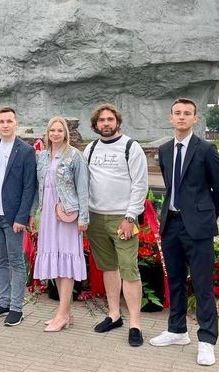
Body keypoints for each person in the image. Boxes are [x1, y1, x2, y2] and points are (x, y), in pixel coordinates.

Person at [152, 98, 219, 366]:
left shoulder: (206, 149)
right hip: (171, 224)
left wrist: (205, 216)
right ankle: (177, 330)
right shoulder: (164, 150)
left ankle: (207, 340)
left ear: (195, 118)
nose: (182, 117)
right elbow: (171, 185)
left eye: (187, 113)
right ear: (170, 117)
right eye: (177, 113)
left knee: (202, 284)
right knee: (174, 280)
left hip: (198, 227)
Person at [84, 103, 148, 347]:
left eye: (110, 119)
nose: (106, 123)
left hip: (123, 219)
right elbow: (83, 182)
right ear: (95, 124)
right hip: (96, 217)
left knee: (129, 268)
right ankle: (114, 314)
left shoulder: (131, 147)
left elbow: (140, 184)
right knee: (108, 268)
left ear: (117, 122)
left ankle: (135, 324)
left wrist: (130, 217)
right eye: (101, 120)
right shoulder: (90, 148)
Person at [0, 107, 37, 326]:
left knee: (16, 261)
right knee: (0, 260)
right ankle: (3, 303)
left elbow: (29, 186)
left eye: (9, 121)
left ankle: (16, 308)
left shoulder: (26, 151)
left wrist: (22, 217)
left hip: (12, 217)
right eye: (1, 121)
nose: (5, 125)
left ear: (16, 123)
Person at [29, 116, 88, 332]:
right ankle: (66, 313)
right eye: (52, 130)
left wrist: (83, 217)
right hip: (48, 212)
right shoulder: (42, 156)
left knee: (66, 261)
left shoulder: (74, 156)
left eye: (59, 130)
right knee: (56, 260)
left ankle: (62, 315)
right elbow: (37, 188)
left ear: (65, 134)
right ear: (47, 133)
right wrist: (32, 213)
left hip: (67, 213)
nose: (55, 134)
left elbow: (83, 188)